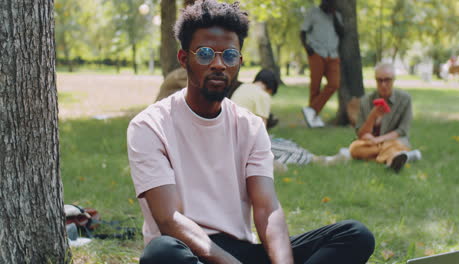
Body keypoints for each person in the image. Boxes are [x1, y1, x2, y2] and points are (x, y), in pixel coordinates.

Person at [127, 1, 374, 263]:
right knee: (161, 254)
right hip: (189, 252)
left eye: (230, 55)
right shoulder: (149, 126)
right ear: (183, 58)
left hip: (241, 251)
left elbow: (267, 209)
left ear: (240, 62)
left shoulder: (250, 125)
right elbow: (168, 219)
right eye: (205, 54)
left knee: (355, 235)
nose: (219, 64)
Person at [349, 63, 422, 172]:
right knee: (354, 148)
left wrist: (378, 140)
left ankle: (391, 158)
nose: (383, 84)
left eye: (387, 80)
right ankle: (396, 157)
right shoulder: (366, 101)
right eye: (379, 80)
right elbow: (360, 133)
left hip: (394, 141)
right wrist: (372, 116)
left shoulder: (405, 99)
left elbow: (402, 130)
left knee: (395, 144)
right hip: (371, 143)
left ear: (393, 80)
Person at [300, 0, 344, 128]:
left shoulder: (336, 15)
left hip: (333, 54)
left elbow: (342, 33)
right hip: (317, 52)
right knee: (315, 86)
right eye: (330, 4)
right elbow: (303, 31)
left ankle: (311, 110)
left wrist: (335, 15)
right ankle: (313, 118)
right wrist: (306, 47)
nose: (332, 6)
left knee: (334, 84)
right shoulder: (313, 12)